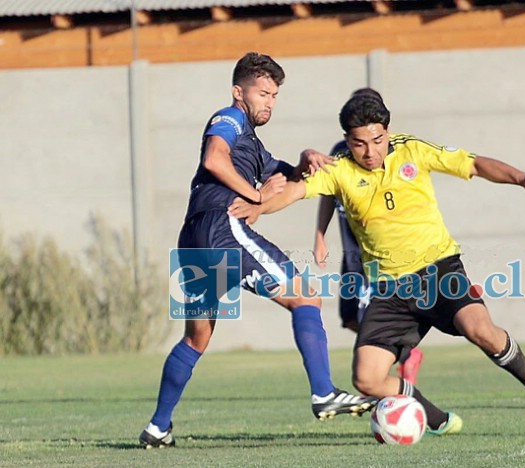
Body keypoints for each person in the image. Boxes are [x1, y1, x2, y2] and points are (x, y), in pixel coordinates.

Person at [229, 92, 525, 435]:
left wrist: (522, 178)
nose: (369, 151)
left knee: (482, 332)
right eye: (358, 143)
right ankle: (437, 419)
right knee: (366, 379)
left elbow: (473, 164)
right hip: (388, 291)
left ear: (388, 131)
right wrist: (260, 207)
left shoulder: (413, 150)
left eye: (377, 140)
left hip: (439, 272)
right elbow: (293, 192)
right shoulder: (340, 170)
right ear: (347, 141)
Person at [138, 53, 376, 449]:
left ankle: (158, 427)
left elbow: (285, 176)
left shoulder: (254, 146)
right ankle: (323, 393)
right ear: (238, 91)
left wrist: (304, 160)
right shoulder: (227, 119)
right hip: (221, 227)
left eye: (275, 95)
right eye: (263, 92)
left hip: (194, 238)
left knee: (196, 339)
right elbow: (213, 158)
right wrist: (254, 194)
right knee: (306, 295)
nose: (269, 101)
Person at [314, 88, 423, 385]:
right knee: (349, 316)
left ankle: (380, 382)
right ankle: (404, 355)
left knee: (368, 320)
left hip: (375, 254)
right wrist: (320, 235)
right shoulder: (341, 150)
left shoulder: (393, 153)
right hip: (350, 251)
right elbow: (328, 191)